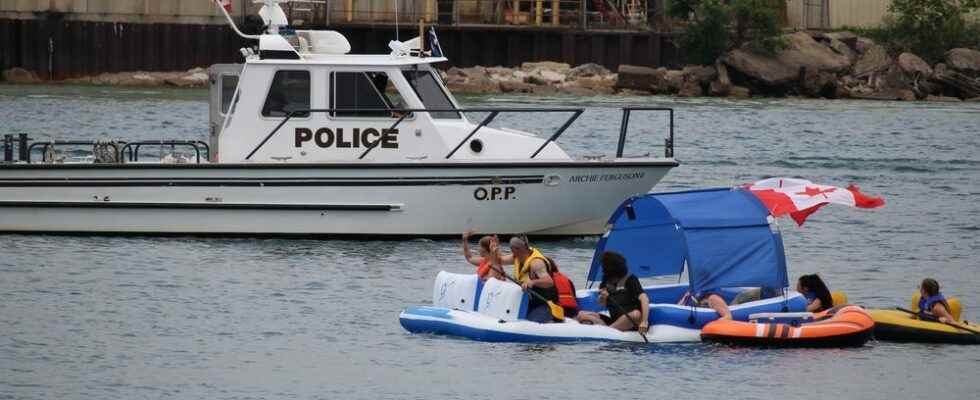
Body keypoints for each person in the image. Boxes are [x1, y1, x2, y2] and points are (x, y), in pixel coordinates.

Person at [576, 251, 650, 333]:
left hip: (631, 320)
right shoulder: (605, 281)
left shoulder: (630, 279)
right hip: (615, 320)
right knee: (581, 314)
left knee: (636, 314)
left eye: (604, 266)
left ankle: (606, 331)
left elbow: (644, 298)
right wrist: (602, 297)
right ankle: (608, 329)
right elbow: (601, 303)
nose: (602, 268)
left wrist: (644, 321)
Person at [496, 235, 559, 323]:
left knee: (531, 321)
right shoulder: (516, 257)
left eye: (511, 248)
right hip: (528, 301)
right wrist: (494, 249)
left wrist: (533, 282)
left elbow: (549, 282)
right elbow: (499, 260)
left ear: (518, 249)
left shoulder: (536, 263)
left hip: (544, 303)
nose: (511, 250)